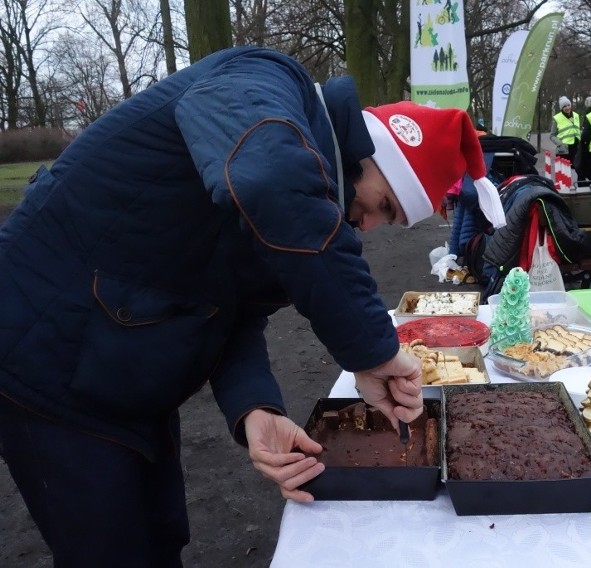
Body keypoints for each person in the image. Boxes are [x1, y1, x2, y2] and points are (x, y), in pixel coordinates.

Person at [0, 46, 506, 565]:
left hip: (124, 363)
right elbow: (269, 181)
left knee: (159, 535)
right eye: (382, 207)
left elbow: (233, 310)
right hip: (43, 358)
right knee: (111, 552)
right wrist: (374, 349)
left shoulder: (295, 194)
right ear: (364, 154)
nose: (368, 226)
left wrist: (255, 407)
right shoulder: (259, 80)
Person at [549, 96, 580, 164]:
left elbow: (577, 130)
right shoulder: (557, 118)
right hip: (564, 150)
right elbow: (552, 135)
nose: (567, 108)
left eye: (569, 105)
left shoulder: (576, 115)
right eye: (565, 106)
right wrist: (560, 144)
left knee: (578, 170)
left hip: (576, 149)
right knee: (565, 172)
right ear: (561, 108)